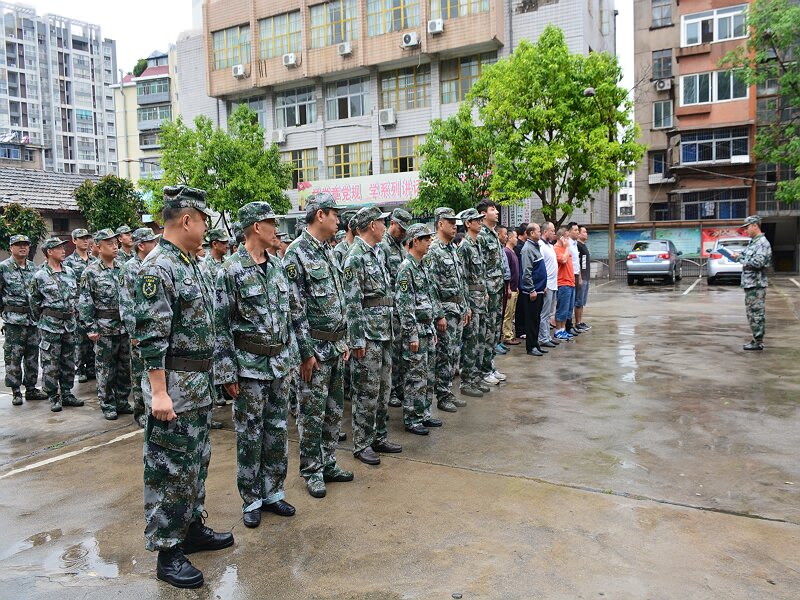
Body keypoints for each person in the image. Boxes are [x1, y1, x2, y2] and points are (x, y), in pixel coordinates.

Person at [135, 186, 233, 589]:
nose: (207, 227)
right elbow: (151, 337)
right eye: (204, 219)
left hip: (197, 386)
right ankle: (167, 552)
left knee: (195, 463)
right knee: (169, 469)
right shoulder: (158, 267)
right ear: (187, 220)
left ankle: (190, 528)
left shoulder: (189, 263)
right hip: (174, 388)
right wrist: (159, 392)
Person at [214, 201, 301, 528]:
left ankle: (273, 492)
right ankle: (251, 498)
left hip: (279, 365)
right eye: (270, 222)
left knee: (277, 431)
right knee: (250, 435)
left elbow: (289, 317)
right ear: (255, 227)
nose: (275, 228)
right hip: (248, 368)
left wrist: (291, 359)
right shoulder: (231, 270)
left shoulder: (276, 267)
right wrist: (227, 372)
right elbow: (221, 325)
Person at [283, 193, 353, 499]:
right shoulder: (296, 254)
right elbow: (294, 309)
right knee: (311, 415)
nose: (339, 220)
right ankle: (312, 470)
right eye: (335, 214)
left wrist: (344, 339)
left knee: (334, 412)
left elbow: (339, 299)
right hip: (314, 351)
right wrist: (304, 353)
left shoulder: (329, 251)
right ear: (320, 214)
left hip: (335, 347)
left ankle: (329, 463)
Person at [343, 205, 403, 465]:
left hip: (383, 332)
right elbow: (352, 303)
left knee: (383, 389)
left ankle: (379, 436)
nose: (385, 226)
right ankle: (362, 443)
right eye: (382, 222)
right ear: (371, 225)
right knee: (366, 392)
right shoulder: (355, 256)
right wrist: (356, 340)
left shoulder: (378, 252)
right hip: (367, 336)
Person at [79, 229, 132, 420]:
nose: (115, 247)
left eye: (115, 243)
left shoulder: (123, 267)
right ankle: (108, 403)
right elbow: (85, 302)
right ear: (99, 247)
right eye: (110, 244)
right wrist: (90, 328)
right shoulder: (91, 272)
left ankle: (122, 400)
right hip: (104, 327)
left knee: (125, 367)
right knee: (105, 369)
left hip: (124, 326)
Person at [395, 223, 442, 435]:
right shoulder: (406, 268)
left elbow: (428, 300)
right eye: (426, 239)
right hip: (415, 332)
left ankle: (424, 413)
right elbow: (405, 306)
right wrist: (412, 334)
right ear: (415, 241)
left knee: (428, 375)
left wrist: (432, 328)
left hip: (426, 329)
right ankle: (412, 418)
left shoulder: (422, 266)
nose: (430, 242)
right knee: (415, 376)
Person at [29, 238, 82, 412]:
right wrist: (45, 319)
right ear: (49, 252)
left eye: (63, 247)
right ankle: (53, 396)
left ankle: (67, 393)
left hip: (69, 324)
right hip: (50, 325)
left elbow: (76, 296)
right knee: (50, 362)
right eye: (58, 248)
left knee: (68, 361)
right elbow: (34, 303)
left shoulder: (69, 272)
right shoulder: (39, 275)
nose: (63, 250)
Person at [427, 207, 470, 412]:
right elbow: (431, 286)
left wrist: (466, 306)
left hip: (457, 309)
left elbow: (461, 281)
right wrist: (439, 315)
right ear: (440, 224)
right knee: (444, 355)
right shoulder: (433, 250)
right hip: (445, 310)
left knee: (453, 353)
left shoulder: (452, 248)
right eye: (450, 222)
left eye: (455, 222)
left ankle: (448, 391)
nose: (455, 226)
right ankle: (442, 395)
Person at [0, 234, 47, 405]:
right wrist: (4, 314)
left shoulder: (33, 268)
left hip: (33, 320)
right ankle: (16, 392)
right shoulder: (3, 268)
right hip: (14, 321)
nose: (22, 247)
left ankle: (31, 389)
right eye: (18, 245)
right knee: (13, 357)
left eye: (25, 245)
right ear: (11, 248)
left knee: (32, 356)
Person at [120, 227, 159, 427]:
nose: (156, 244)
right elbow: (126, 303)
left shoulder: (155, 264)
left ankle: (155, 408)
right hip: (139, 332)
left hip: (156, 330)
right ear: (141, 246)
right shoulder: (129, 268)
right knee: (139, 373)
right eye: (152, 241)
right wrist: (134, 332)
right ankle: (141, 412)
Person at [456, 208, 490, 398]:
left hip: (480, 300)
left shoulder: (477, 244)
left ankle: (476, 377)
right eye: (476, 220)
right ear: (468, 223)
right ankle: (467, 381)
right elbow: (462, 279)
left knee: (480, 340)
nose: (479, 222)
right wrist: (466, 306)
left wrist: (485, 292)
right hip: (471, 301)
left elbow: (481, 274)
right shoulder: (465, 247)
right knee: (471, 342)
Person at [381, 207, 412, 409]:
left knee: (400, 350)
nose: (403, 233)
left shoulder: (401, 247)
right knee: (391, 352)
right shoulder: (383, 246)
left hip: (401, 307)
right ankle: (391, 390)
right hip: (389, 308)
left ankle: (399, 386)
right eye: (401, 229)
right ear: (392, 223)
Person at [476, 200, 506, 385]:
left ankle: (491, 365)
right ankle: (484, 370)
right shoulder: (481, 236)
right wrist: (484, 290)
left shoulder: (493, 234)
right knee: (486, 332)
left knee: (494, 331)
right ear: (483, 214)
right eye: (492, 209)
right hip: (488, 291)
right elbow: (480, 266)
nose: (496, 212)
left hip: (498, 289)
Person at [733, 215, 772, 351]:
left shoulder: (762, 243)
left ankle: (758, 341)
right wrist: (738, 256)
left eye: (747, 227)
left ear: (755, 225)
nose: (746, 230)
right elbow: (746, 256)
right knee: (751, 313)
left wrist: (741, 259)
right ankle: (756, 339)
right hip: (751, 284)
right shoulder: (754, 242)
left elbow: (758, 263)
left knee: (757, 313)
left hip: (757, 284)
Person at [64, 228, 97, 383]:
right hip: (77, 306)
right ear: (74, 241)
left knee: (93, 337)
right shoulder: (69, 262)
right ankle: (81, 368)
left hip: (93, 305)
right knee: (80, 338)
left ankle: (91, 367)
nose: (85, 241)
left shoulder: (94, 261)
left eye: (87, 238)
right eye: (81, 238)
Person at [519, 224, 548, 357]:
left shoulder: (536, 246)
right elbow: (527, 272)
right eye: (538, 231)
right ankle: (530, 347)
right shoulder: (527, 249)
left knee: (536, 319)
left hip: (539, 289)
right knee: (531, 320)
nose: (540, 233)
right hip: (532, 292)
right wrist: (531, 289)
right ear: (531, 233)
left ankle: (535, 344)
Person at [538, 222, 559, 349]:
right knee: (544, 313)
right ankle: (543, 338)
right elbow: (541, 267)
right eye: (552, 231)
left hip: (553, 283)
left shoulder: (550, 246)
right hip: (547, 284)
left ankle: (547, 336)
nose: (554, 233)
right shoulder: (541, 246)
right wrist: (543, 284)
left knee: (550, 313)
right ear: (545, 232)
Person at [553, 228, 576, 341]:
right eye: (566, 237)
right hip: (563, 282)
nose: (568, 239)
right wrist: (567, 247)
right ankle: (558, 330)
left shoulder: (566, 248)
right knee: (562, 308)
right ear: (561, 237)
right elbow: (563, 260)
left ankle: (563, 329)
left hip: (570, 281)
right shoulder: (556, 249)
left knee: (568, 309)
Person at [502, 228, 520, 346]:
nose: (516, 239)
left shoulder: (512, 252)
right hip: (509, 289)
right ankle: (507, 335)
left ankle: (510, 334)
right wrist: (508, 287)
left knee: (512, 313)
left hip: (514, 287)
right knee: (508, 314)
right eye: (515, 237)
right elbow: (507, 272)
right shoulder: (507, 252)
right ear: (509, 238)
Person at [565, 222, 582, 336]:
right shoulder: (567, 243)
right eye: (575, 230)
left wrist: (579, 276)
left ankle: (570, 325)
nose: (577, 232)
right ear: (569, 231)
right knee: (568, 302)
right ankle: (567, 326)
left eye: (578, 230)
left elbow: (577, 262)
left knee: (573, 301)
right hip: (569, 275)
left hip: (575, 274)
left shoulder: (575, 244)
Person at [496, 225, 511, 355]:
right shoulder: (497, 248)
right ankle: (495, 342)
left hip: (504, 283)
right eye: (505, 234)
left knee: (501, 314)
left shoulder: (501, 248)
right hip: (497, 285)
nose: (507, 236)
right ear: (498, 234)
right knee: (496, 316)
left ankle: (499, 340)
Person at [575, 226, 591, 331]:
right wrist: (580, 277)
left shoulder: (583, 246)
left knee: (582, 301)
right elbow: (578, 262)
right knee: (579, 301)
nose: (586, 233)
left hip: (586, 277)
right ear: (579, 234)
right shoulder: (578, 246)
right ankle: (577, 323)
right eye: (584, 232)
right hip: (582, 277)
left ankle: (580, 321)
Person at [513, 223, 528, 339]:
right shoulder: (518, 247)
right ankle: (520, 330)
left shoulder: (524, 245)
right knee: (520, 306)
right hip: (518, 280)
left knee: (524, 306)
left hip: (524, 280)